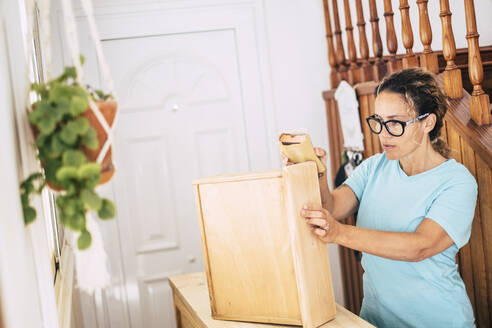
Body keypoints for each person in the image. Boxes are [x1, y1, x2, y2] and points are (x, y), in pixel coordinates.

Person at [282, 68, 478, 327]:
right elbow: (333, 206)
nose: (383, 134)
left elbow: (419, 246)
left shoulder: (456, 182)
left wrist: (339, 233)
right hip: (375, 320)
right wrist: (316, 171)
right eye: (379, 121)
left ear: (427, 122)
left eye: (395, 123)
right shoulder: (374, 167)